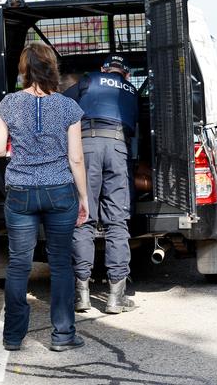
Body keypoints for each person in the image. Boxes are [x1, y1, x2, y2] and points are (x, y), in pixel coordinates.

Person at [0, 42, 89, 352]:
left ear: (24, 70)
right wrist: (83, 197)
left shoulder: (8, 104)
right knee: (61, 263)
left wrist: (19, 152)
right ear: (52, 70)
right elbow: (76, 158)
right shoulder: (68, 107)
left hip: (21, 193)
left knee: (19, 264)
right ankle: (62, 335)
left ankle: (13, 337)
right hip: (60, 191)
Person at [63, 54, 139, 314]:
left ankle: (81, 295)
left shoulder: (88, 80)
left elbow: (63, 106)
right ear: (125, 75)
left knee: (83, 216)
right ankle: (116, 298)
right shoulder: (131, 90)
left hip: (87, 146)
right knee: (117, 221)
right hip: (118, 147)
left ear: (103, 69)